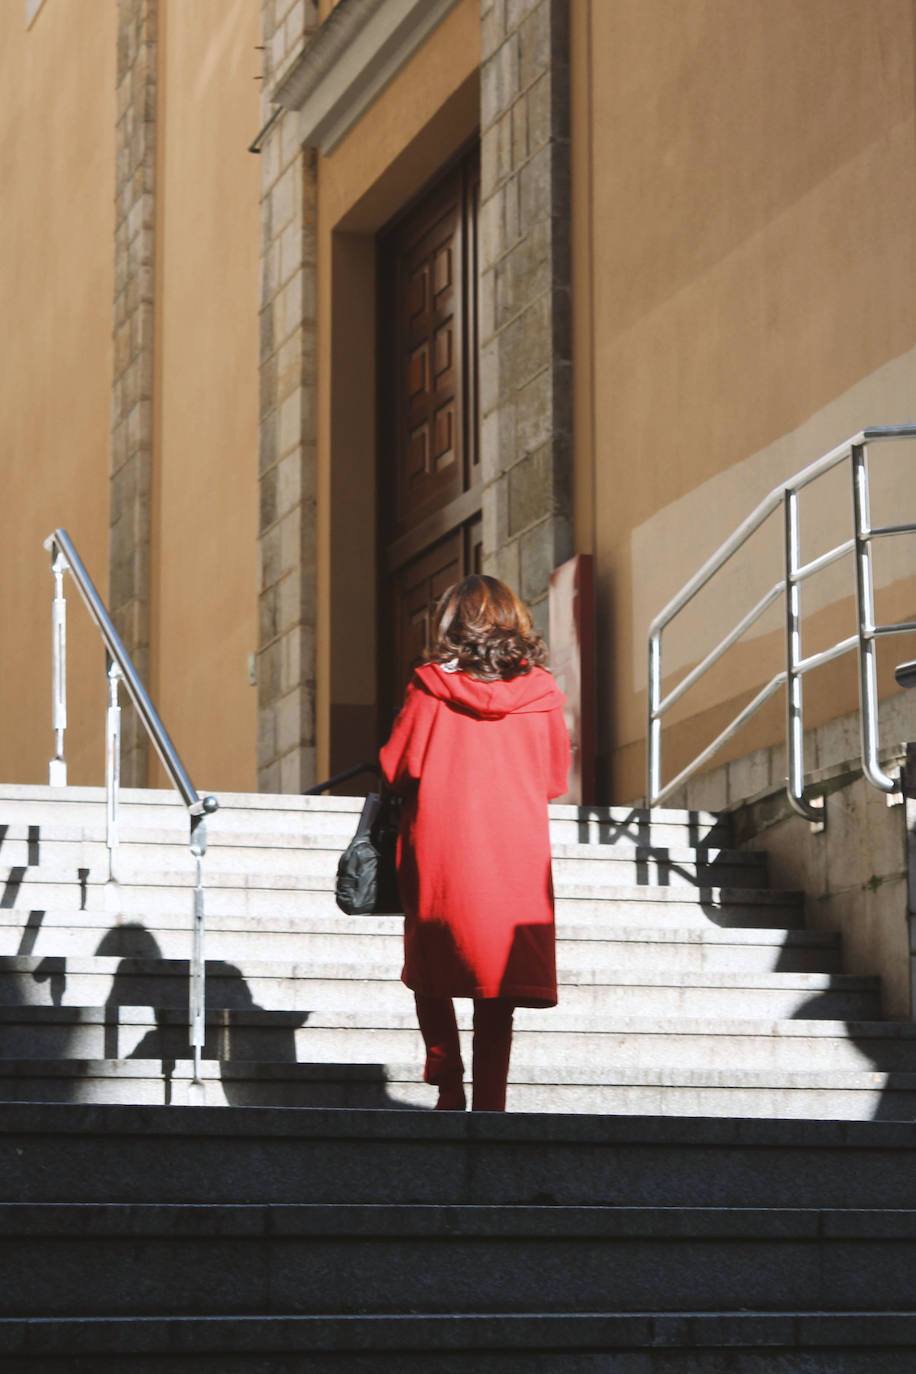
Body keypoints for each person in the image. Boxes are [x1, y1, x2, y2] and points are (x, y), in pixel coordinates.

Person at [379, 574, 571, 1111]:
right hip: (515, 852)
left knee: (430, 963)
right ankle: (491, 1102)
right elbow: (555, 779)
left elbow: (399, 765)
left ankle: (447, 1082)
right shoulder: (542, 692)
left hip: (442, 846)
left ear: (451, 623)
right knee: (499, 981)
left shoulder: (428, 684)